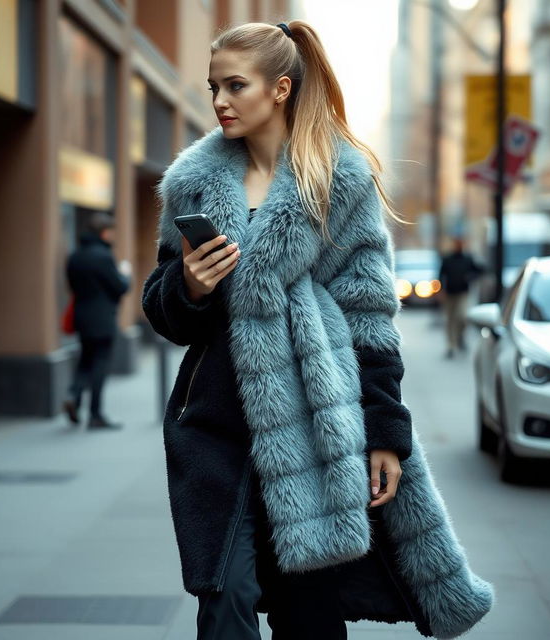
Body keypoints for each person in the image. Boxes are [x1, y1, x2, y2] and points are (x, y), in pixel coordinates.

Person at [142, 20, 493, 640]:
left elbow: (371, 320)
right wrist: (190, 287)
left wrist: (387, 435)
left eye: (234, 85)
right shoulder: (192, 182)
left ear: (280, 88)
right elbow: (162, 309)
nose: (219, 101)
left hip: (315, 425)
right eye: (212, 87)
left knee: (310, 613)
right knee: (222, 607)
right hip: (216, 428)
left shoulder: (338, 180)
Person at [64, 211, 131, 430]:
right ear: (104, 232)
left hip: (82, 316)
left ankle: (73, 396)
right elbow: (119, 287)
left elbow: (72, 287)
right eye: (111, 231)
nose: (113, 236)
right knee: (99, 365)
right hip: (102, 318)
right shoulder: (103, 256)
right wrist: (124, 274)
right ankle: (95, 415)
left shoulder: (76, 256)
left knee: (85, 360)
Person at [438, 236, 485, 358]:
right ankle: (451, 345)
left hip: (463, 293)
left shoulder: (468, 259)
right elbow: (441, 275)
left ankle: (460, 337)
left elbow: (479, 270)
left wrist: (470, 278)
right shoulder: (448, 259)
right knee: (450, 320)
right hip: (450, 293)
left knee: (463, 317)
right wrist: (441, 291)